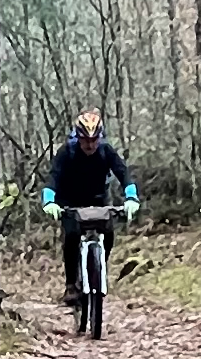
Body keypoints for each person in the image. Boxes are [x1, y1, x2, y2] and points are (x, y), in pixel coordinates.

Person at [40, 110, 137, 288]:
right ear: (78, 137)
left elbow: (123, 174)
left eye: (94, 140)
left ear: (100, 137)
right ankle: (70, 284)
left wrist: (131, 197)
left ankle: (98, 269)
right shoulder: (66, 152)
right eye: (85, 140)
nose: (90, 145)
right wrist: (49, 201)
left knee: (108, 233)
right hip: (69, 200)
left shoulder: (106, 151)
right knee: (71, 236)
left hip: (98, 198)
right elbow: (53, 177)